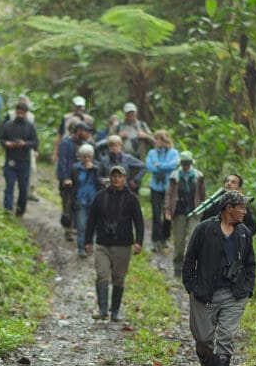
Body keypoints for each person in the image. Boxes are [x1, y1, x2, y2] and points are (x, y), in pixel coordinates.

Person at [181, 190, 256, 366]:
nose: (244, 211)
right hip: (205, 293)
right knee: (203, 339)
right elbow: (189, 260)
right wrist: (191, 286)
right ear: (229, 208)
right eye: (241, 207)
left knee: (226, 336)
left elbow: (250, 264)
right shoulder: (204, 230)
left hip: (234, 293)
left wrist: (247, 287)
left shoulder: (243, 233)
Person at [84, 165, 144, 322]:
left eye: (120, 176)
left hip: (123, 244)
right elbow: (91, 219)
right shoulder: (100, 196)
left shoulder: (132, 198)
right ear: (110, 178)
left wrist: (139, 241)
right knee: (101, 275)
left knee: (119, 278)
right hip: (103, 243)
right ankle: (103, 310)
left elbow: (139, 221)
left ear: (125, 178)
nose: (116, 179)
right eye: (114, 176)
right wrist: (88, 240)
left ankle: (115, 311)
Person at [163, 151, 206, 276]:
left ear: (191, 163)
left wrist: (203, 210)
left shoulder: (198, 176)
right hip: (179, 212)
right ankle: (177, 268)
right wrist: (167, 210)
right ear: (181, 163)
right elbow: (169, 194)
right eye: (184, 162)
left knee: (194, 240)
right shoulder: (174, 176)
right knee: (179, 242)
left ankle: (191, 269)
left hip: (195, 211)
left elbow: (202, 194)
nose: (186, 165)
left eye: (188, 162)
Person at [56, 120, 93, 241]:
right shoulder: (66, 143)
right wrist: (65, 178)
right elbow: (62, 161)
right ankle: (68, 230)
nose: (88, 134)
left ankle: (77, 228)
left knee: (77, 204)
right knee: (67, 205)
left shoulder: (83, 144)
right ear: (78, 131)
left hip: (79, 180)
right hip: (67, 180)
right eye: (85, 131)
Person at [0, 102, 38, 217]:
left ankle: (20, 210)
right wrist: (7, 143)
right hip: (10, 159)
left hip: (24, 161)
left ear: (26, 114)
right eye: (18, 112)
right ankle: (7, 210)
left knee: (23, 188)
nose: (20, 115)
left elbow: (35, 142)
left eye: (22, 113)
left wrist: (24, 144)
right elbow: (2, 139)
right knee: (9, 186)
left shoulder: (30, 126)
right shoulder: (8, 125)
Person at [145, 130, 179, 251]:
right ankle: (155, 240)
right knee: (156, 214)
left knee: (167, 214)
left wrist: (158, 165)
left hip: (168, 188)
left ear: (164, 140)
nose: (155, 141)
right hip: (155, 187)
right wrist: (164, 166)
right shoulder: (152, 152)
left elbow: (173, 165)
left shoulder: (173, 152)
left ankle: (164, 238)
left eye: (157, 139)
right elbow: (149, 167)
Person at [71, 143, 100, 258]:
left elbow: (100, 181)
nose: (86, 159)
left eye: (89, 156)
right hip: (80, 200)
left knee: (92, 226)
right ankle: (81, 248)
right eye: (84, 156)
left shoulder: (97, 168)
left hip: (93, 201)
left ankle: (89, 246)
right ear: (80, 157)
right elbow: (72, 184)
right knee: (81, 226)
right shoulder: (75, 168)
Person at [52, 95, 94, 164]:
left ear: (84, 107)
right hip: (67, 146)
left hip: (83, 148)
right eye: (77, 106)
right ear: (73, 106)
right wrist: (55, 152)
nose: (79, 109)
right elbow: (59, 135)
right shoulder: (66, 118)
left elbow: (92, 135)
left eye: (81, 107)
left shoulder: (89, 119)